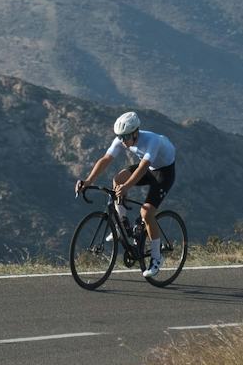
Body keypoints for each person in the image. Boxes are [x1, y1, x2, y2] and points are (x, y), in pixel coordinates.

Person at [75, 111, 177, 279]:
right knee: (118, 179)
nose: (123, 141)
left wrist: (127, 187)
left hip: (164, 172)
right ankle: (122, 224)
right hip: (150, 168)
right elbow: (106, 159)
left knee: (146, 213)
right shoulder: (122, 139)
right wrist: (88, 181)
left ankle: (157, 258)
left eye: (126, 137)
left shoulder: (153, 140)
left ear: (136, 132)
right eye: (120, 137)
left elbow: (143, 167)